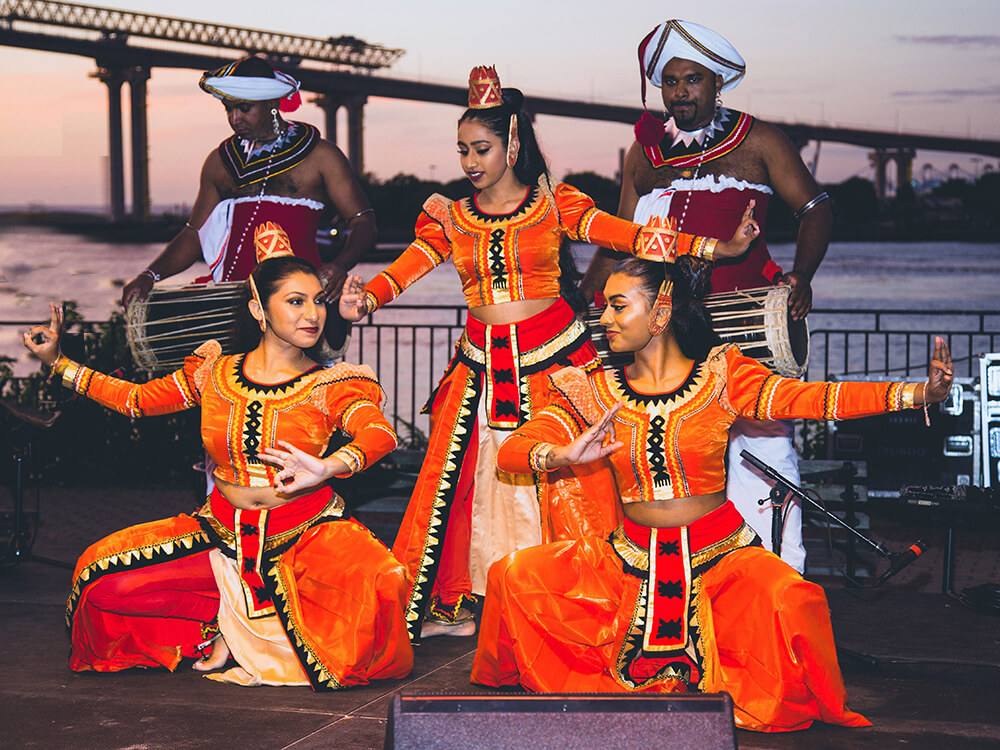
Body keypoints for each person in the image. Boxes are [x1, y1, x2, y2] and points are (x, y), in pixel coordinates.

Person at [338, 65, 759, 641]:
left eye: (481, 148)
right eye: (461, 149)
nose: (469, 162)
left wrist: (717, 247)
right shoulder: (450, 216)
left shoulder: (555, 204)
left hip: (555, 362)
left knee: (567, 486)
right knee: (470, 487)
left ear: (513, 143)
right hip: (478, 368)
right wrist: (367, 301)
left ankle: (566, 603)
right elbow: (407, 267)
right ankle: (474, 602)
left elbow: (630, 236)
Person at [473, 255, 953, 731]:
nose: (604, 319)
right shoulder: (591, 390)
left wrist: (916, 394)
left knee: (791, 599)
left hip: (720, 558)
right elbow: (511, 449)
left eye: (619, 306)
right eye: (604, 307)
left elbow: (815, 399)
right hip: (627, 560)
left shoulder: (724, 376)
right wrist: (562, 456)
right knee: (514, 575)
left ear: (661, 311)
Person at [24, 224, 412, 689]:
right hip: (222, 532)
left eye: (317, 300)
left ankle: (258, 631)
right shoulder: (215, 373)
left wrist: (327, 466)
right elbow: (138, 400)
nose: (313, 314)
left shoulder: (334, 384)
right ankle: (218, 628)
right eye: (295, 301)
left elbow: (379, 433)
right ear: (258, 310)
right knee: (100, 581)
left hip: (306, 535)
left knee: (383, 585)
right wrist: (59, 363)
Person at [581, 20, 834, 572]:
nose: (680, 93)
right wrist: (584, 303)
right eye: (670, 83)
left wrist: (802, 276)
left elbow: (815, 208)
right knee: (678, 457)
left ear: (717, 83)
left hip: (742, 321)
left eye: (692, 80)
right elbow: (619, 233)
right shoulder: (644, 154)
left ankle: (777, 578)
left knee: (763, 445)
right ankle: (691, 581)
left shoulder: (761, 141)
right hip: (667, 331)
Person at [121, 55, 374, 351]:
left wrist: (339, 265)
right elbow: (193, 234)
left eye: (244, 108)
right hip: (231, 309)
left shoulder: (320, 156)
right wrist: (149, 276)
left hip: (298, 307)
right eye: (228, 109)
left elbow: (364, 222)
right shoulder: (219, 162)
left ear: (272, 103)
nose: (234, 119)